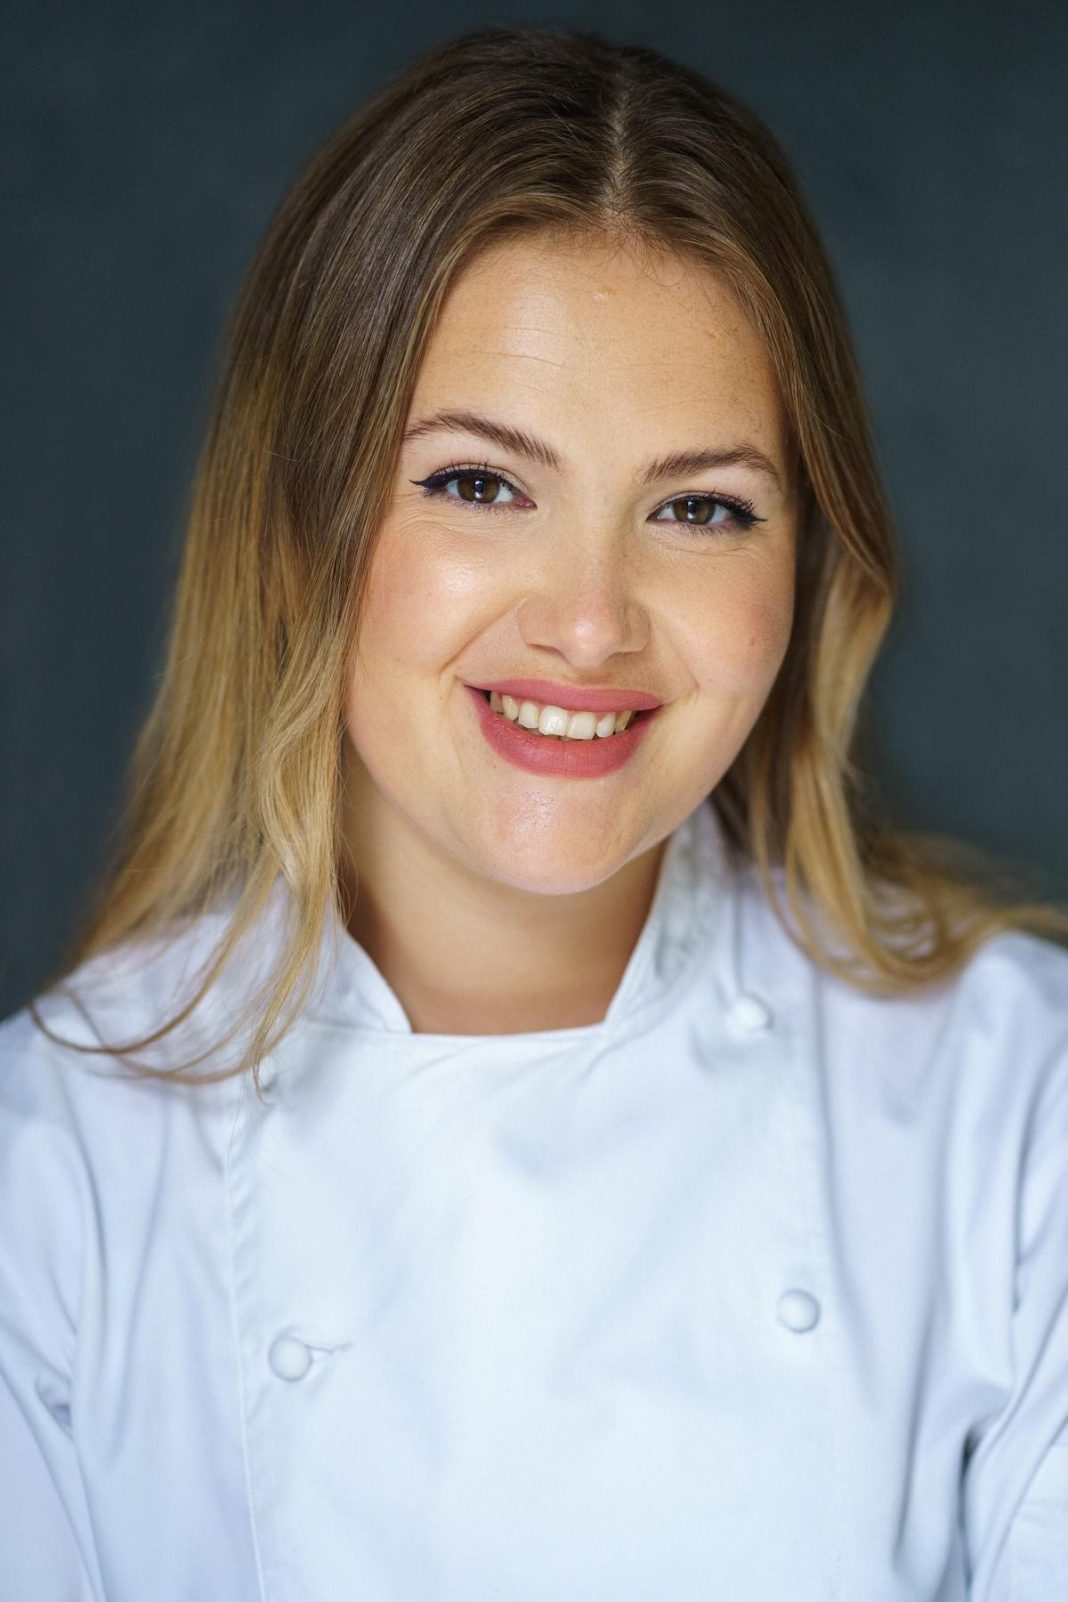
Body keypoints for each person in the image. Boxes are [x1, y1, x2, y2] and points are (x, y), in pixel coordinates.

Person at [1, 25, 1066, 1602]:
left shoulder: (1017, 1117)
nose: (588, 622)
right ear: (298, 522)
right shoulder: (51, 1186)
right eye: (480, 484)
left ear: (808, 562)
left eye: (699, 507)